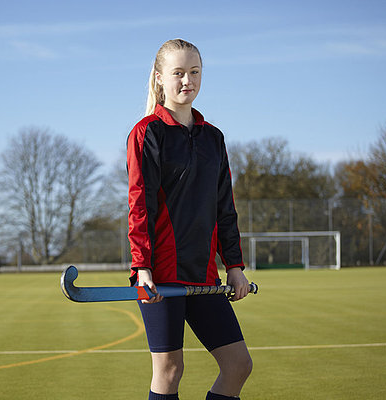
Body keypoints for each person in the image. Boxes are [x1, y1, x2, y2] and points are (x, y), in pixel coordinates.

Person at [126, 39, 253, 400]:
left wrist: (234, 265)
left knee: (238, 364)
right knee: (169, 371)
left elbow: (224, 206)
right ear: (159, 78)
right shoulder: (147, 133)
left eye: (194, 72)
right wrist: (143, 268)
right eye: (178, 72)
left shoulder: (214, 138)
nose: (187, 80)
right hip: (160, 276)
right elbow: (140, 205)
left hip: (203, 276)